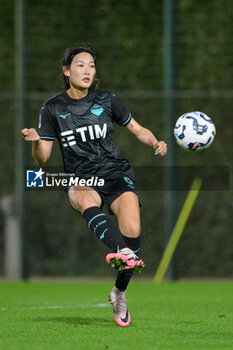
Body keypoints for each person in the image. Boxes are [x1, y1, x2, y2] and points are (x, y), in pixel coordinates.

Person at [21, 46, 167, 327]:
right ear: (66, 71)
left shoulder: (107, 100)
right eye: (80, 65)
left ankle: (119, 293)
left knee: (133, 231)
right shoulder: (53, 108)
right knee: (86, 201)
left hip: (115, 173)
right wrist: (37, 141)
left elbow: (137, 128)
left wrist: (155, 141)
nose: (87, 71)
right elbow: (42, 161)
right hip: (79, 177)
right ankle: (123, 252)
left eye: (91, 66)